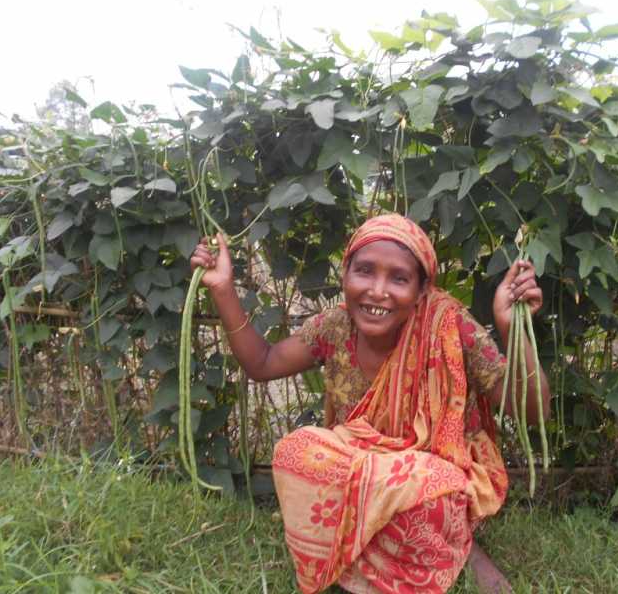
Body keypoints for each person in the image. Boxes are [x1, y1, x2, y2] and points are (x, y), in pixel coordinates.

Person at [190, 214, 550, 594]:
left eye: (399, 278)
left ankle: (457, 544)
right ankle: (396, 549)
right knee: (294, 453)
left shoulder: (448, 326)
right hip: (364, 466)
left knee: (432, 495)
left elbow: (534, 411)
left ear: (421, 291)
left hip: (431, 478)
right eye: (364, 271)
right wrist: (223, 289)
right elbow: (263, 363)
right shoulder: (335, 325)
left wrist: (510, 326)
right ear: (345, 275)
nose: (378, 291)